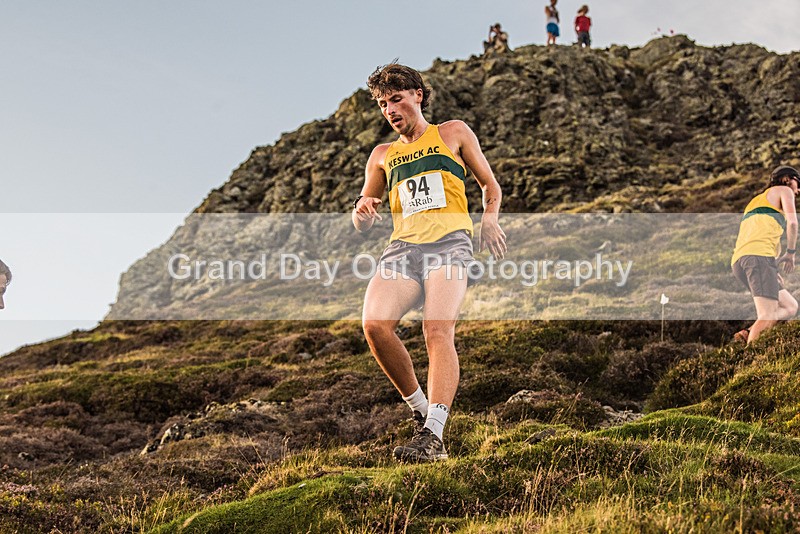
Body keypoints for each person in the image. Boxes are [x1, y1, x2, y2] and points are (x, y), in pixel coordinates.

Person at [354, 63, 506, 462]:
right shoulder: (382, 155)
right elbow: (361, 214)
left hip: (450, 245)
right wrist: (364, 206)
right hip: (403, 248)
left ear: (418, 95)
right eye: (383, 103)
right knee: (374, 326)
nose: (390, 109)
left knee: (436, 329)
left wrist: (488, 221)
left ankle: (434, 437)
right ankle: (423, 414)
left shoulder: (452, 132)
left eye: (397, 99)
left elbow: (490, 185)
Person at [731, 165, 800, 344]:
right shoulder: (784, 190)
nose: (798, 190)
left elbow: (759, 234)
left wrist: (772, 268)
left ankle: (748, 332)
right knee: (767, 314)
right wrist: (790, 253)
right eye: (797, 183)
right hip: (757, 258)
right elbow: (793, 224)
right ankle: (750, 361)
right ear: (787, 179)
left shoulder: (756, 201)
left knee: (790, 306)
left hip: (742, 260)